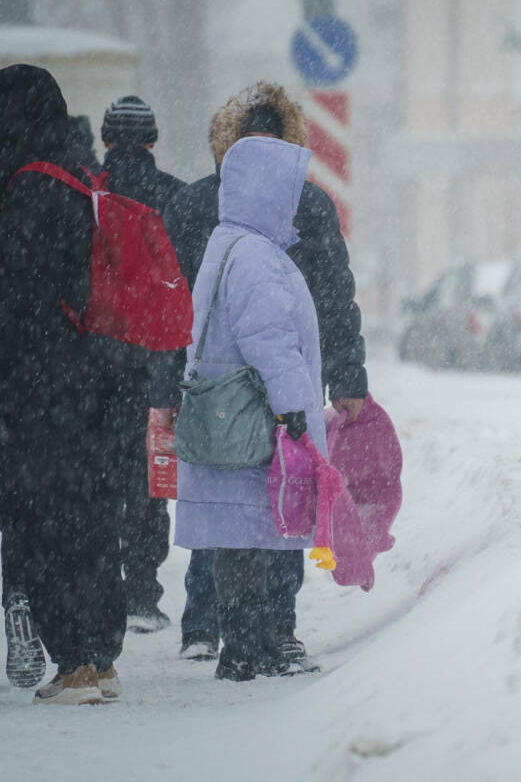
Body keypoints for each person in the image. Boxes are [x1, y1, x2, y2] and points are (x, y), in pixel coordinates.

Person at [156, 81, 367, 664]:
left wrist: (348, 377)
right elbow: (267, 335)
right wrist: (297, 406)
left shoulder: (243, 225)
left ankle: (252, 632)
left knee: (251, 514)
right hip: (257, 401)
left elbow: (333, 300)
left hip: (226, 397)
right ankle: (242, 637)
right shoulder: (246, 239)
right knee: (257, 516)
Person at [175, 134, 325, 681]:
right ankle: (247, 648)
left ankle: (244, 644)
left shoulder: (229, 242)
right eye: (288, 189)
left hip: (229, 417)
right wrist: (293, 408)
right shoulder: (257, 257)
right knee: (250, 542)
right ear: (265, 191)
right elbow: (269, 340)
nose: (294, 201)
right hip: (254, 421)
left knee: (240, 540)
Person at [0, 64, 127, 703]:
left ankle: (73, 661)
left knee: (44, 518)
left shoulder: (25, 188)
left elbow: (18, 298)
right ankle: (101, 659)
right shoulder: (84, 179)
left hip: (38, 383)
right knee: (91, 516)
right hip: (96, 375)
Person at [99, 94, 186, 633]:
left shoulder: (86, 191)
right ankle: (141, 593)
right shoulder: (175, 198)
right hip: (159, 360)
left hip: (96, 361)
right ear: (153, 140)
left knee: (97, 476)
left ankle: (102, 584)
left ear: (107, 139)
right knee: (150, 480)